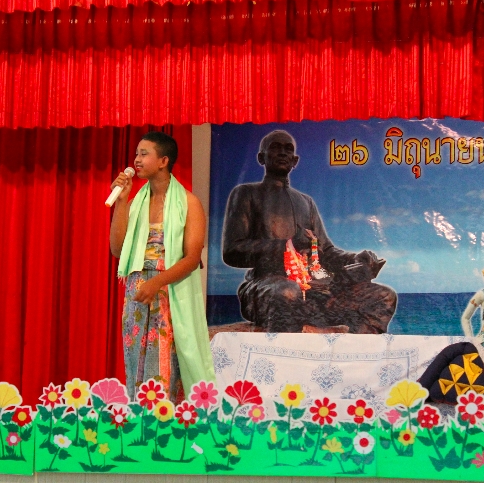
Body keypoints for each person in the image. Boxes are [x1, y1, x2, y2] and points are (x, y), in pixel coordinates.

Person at [221, 130, 397, 333]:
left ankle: (351, 349)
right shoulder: (246, 194)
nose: (282, 153)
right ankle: (285, 352)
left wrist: (355, 259)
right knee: (288, 291)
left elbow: (326, 251)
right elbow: (232, 251)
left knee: (384, 296)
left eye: (288, 149)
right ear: (262, 157)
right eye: (275, 148)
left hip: (313, 290)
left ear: (295, 161)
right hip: (267, 286)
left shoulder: (306, 202)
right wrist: (286, 246)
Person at [110, 132, 215, 401]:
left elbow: (191, 258)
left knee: (164, 367)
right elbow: (117, 250)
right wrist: (121, 202)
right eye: (136, 153)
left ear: (163, 161)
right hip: (137, 291)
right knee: (136, 365)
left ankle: (165, 421)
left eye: (144, 154)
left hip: (169, 291)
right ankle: (140, 421)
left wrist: (156, 282)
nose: (137, 159)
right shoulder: (135, 203)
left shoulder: (189, 203)